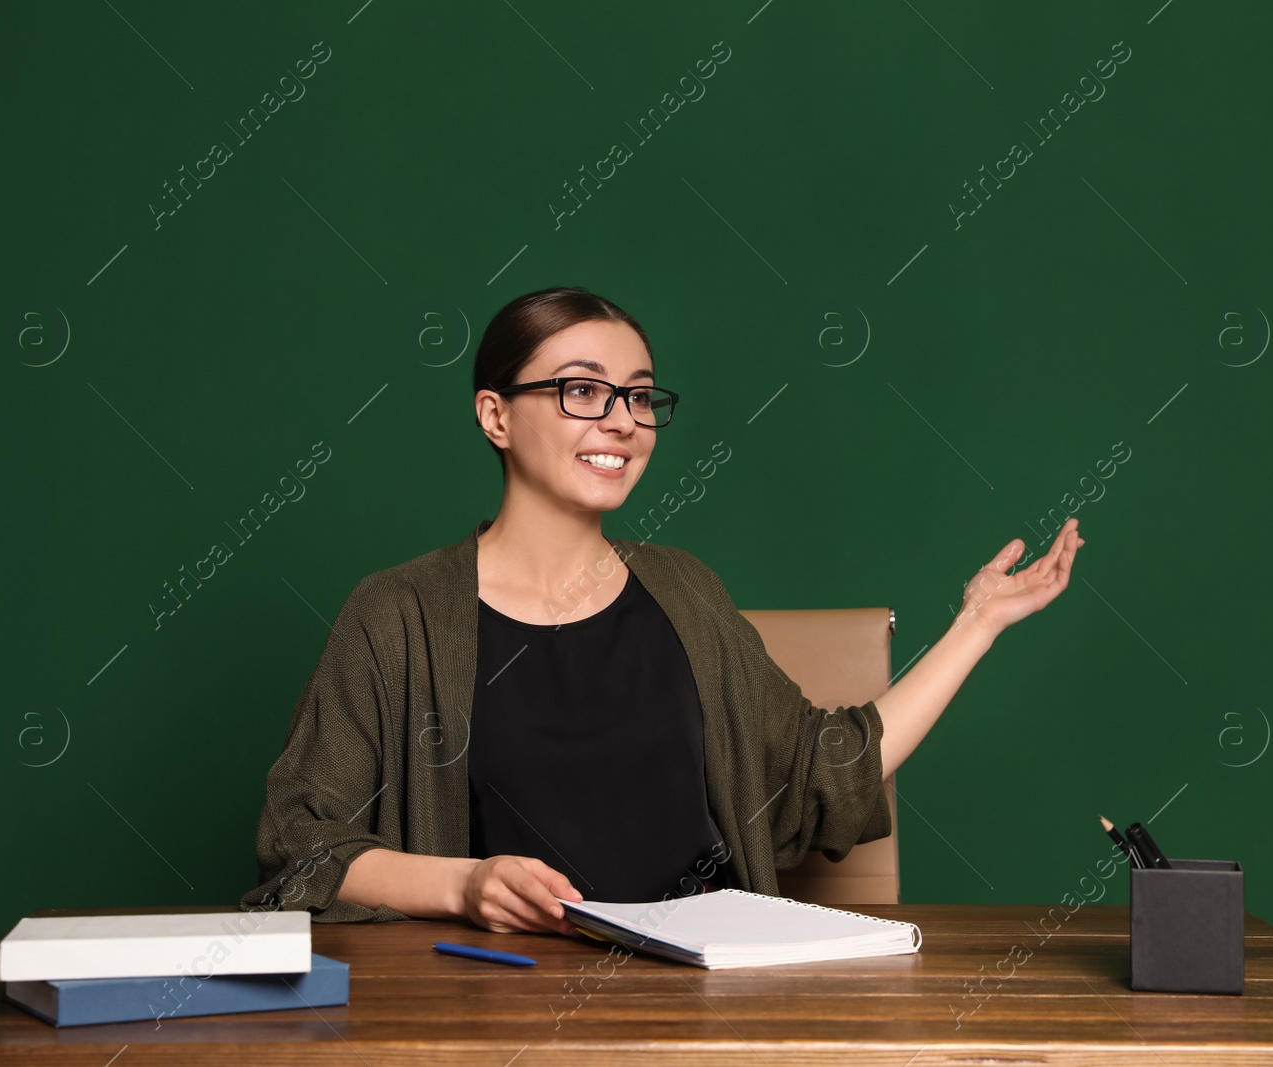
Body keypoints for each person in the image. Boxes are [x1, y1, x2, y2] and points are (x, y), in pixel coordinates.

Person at [240, 286, 1083, 937]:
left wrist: (977, 622)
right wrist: (464, 885)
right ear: (495, 414)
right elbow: (301, 844)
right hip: (497, 1002)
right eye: (582, 391)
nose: (622, 421)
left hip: (703, 1002)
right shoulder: (400, 615)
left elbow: (826, 772)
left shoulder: (684, 591)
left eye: (639, 397)